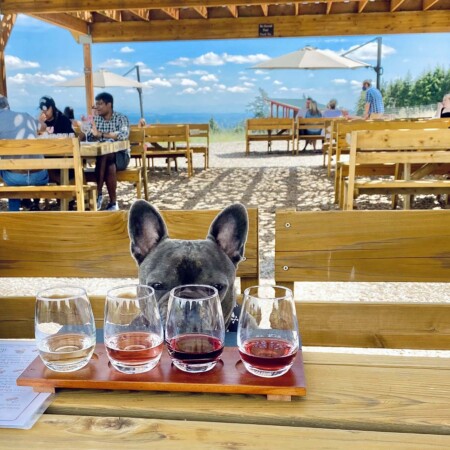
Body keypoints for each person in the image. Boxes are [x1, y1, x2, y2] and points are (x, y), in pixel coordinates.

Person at [81, 92, 130, 211]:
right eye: (96, 104)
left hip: (121, 156)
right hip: (104, 159)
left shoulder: (121, 118)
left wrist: (101, 134)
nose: (97, 106)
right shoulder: (96, 120)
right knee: (109, 165)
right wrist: (89, 123)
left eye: (100, 104)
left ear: (109, 105)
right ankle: (113, 203)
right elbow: (87, 136)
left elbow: (123, 134)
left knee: (106, 154)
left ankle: (98, 193)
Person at [0, 94, 49, 211]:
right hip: (40, 176)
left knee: (6, 167)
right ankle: (32, 206)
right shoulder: (25, 116)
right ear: (8, 106)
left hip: (14, 178)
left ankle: (14, 212)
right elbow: (43, 127)